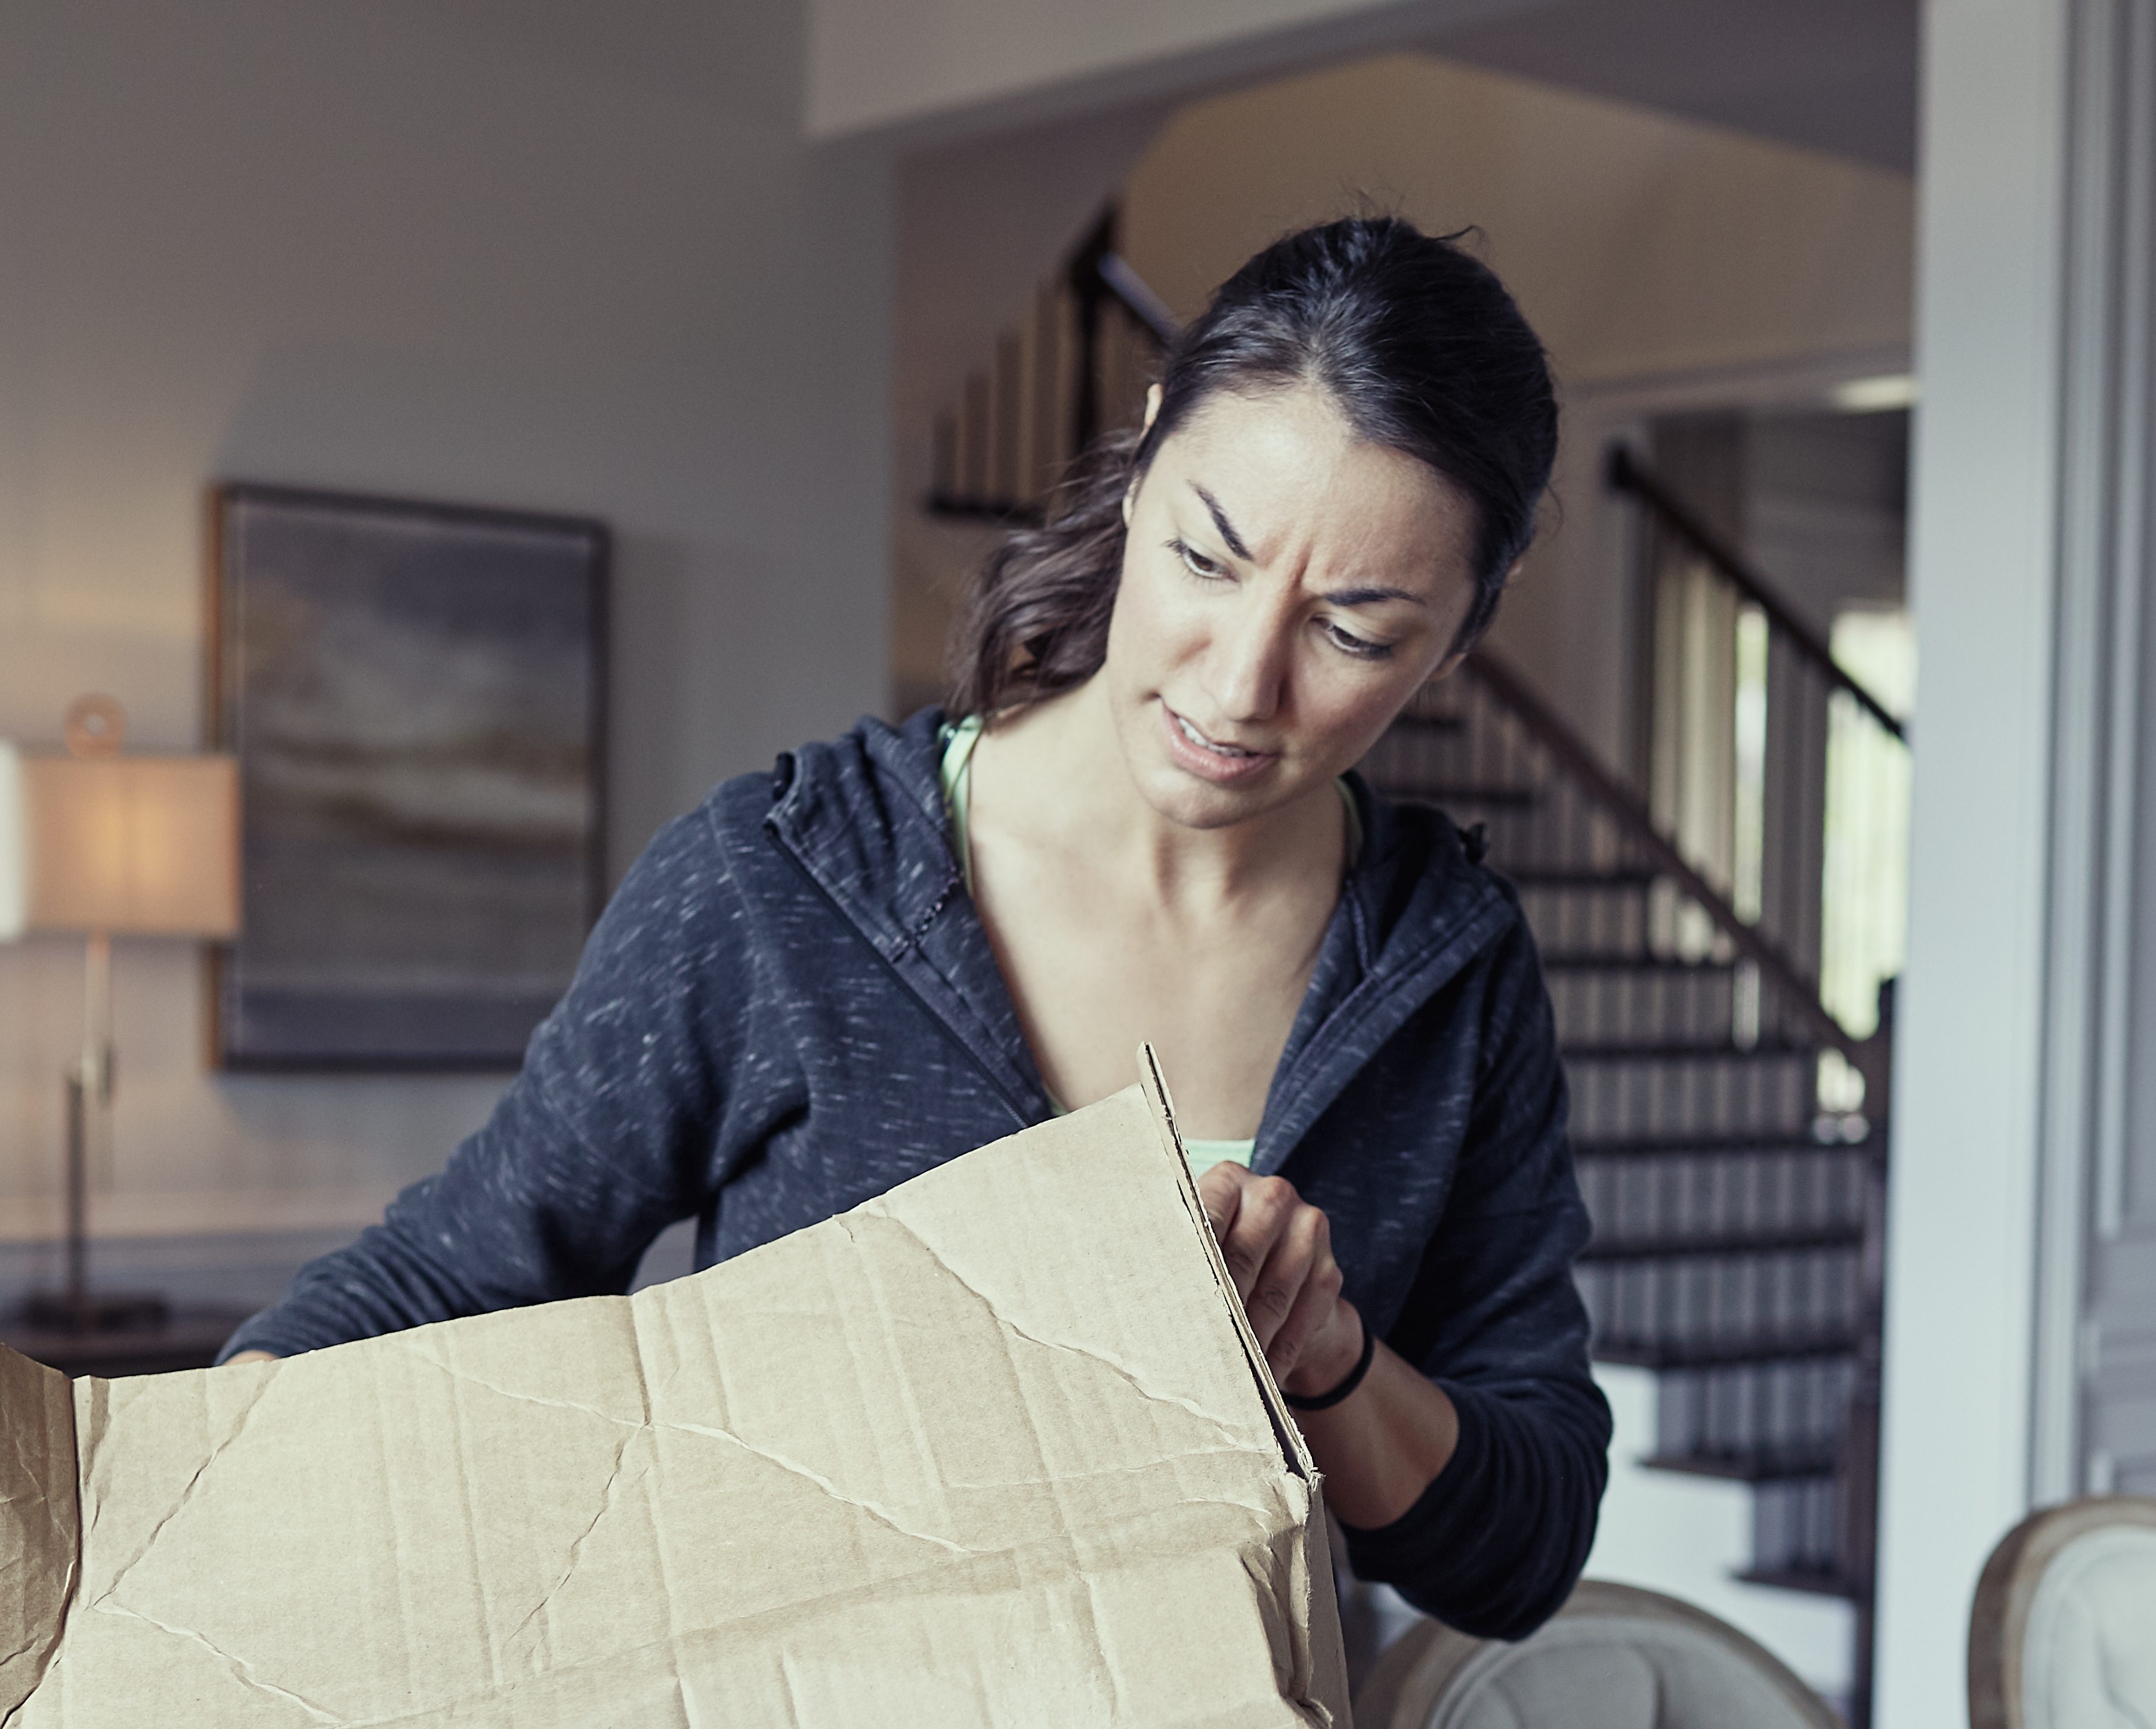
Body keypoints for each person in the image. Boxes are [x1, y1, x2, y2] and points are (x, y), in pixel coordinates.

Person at [223, 218, 1606, 1640]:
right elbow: (456, 1274)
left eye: (1354, 633)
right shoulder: (786, 885)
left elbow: (1521, 1548)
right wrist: (163, 1506)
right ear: (1141, 462)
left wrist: (1327, 1359)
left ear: (1457, 636)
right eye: (1206, 558)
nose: (1241, 682)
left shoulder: (1450, 970)